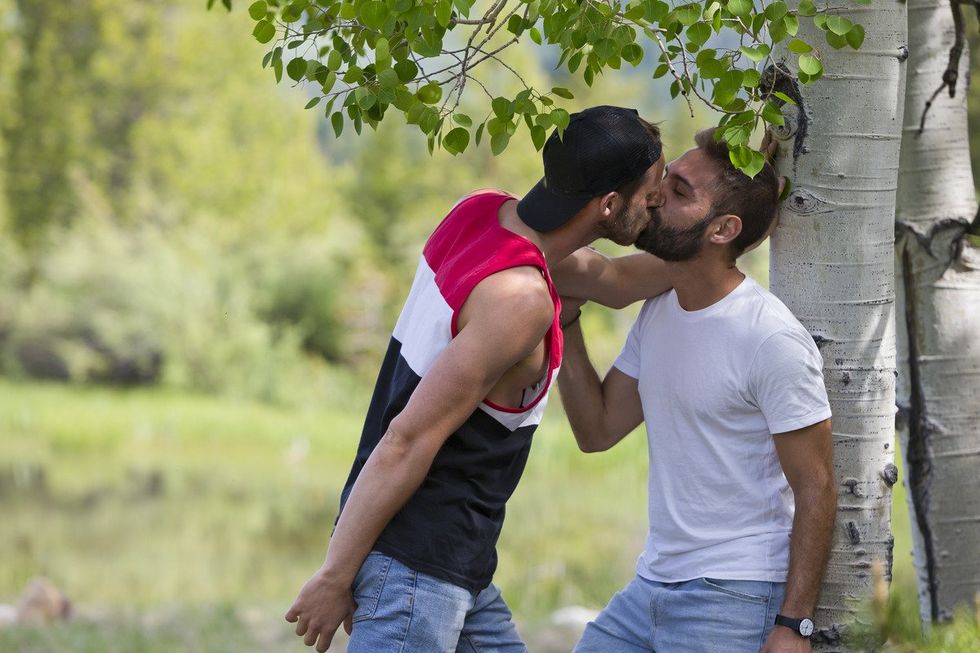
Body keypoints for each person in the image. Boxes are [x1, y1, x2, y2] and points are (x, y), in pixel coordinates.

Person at [285, 105, 670, 653]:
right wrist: (333, 576)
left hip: (455, 565)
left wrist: (741, 221)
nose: (657, 202)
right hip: (418, 569)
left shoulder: (481, 216)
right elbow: (408, 437)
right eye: (652, 191)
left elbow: (616, 282)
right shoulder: (520, 302)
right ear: (609, 205)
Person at [555, 129, 836, 653]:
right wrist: (566, 320)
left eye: (681, 192)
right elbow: (596, 430)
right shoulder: (660, 309)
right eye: (666, 179)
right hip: (652, 585)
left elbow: (817, 487)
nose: (657, 194)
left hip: (735, 594)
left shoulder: (769, 338)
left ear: (723, 229)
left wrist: (793, 624)